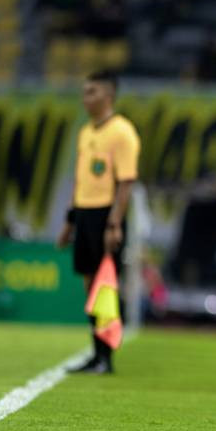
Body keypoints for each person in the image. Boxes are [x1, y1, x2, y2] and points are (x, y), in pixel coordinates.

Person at [59, 72, 140, 375]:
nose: (85, 98)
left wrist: (114, 224)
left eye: (91, 92)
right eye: (84, 92)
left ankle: (106, 357)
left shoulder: (122, 132)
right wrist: (69, 223)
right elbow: (80, 182)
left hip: (106, 215)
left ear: (108, 95)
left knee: (105, 286)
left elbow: (125, 183)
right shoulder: (86, 132)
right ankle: (96, 354)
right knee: (90, 285)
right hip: (84, 213)